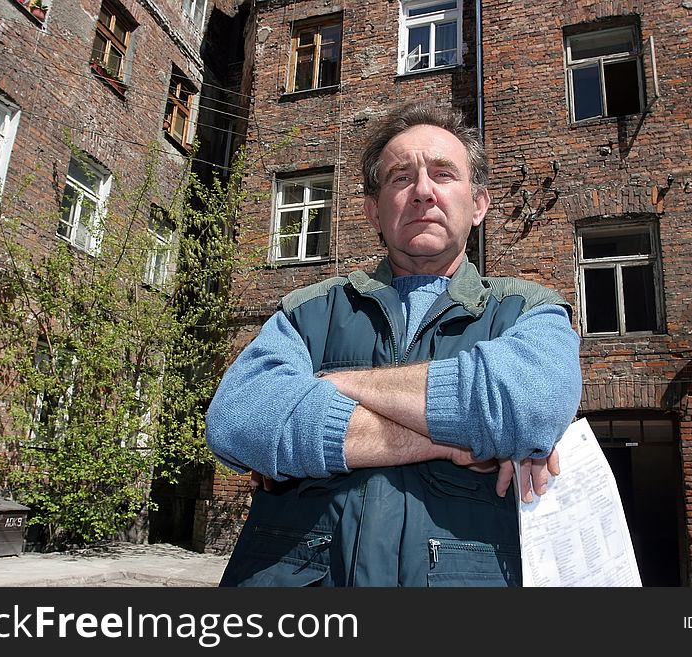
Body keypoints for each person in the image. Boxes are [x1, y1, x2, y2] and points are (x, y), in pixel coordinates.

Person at [205, 102, 582, 587]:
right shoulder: (309, 311)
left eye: (444, 174)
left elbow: (528, 407)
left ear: (479, 205)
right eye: (401, 178)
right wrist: (450, 440)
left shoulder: (525, 311)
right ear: (373, 210)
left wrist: (334, 385)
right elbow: (239, 419)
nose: (423, 191)